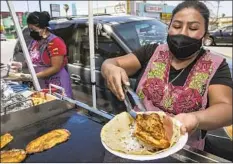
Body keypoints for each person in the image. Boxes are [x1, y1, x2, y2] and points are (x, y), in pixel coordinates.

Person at [101, 0, 232, 152]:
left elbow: (226, 109)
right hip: (136, 141)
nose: (182, 33)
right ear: (168, 28)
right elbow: (113, 62)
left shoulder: (216, 65)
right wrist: (109, 67)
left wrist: (196, 118)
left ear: (205, 35)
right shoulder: (151, 52)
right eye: (176, 26)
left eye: (193, 28)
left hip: (184, 151)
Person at [11, 11, 72, 98]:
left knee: (57, 107)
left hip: (56, 83)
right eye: (30, 29)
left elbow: (56, 67)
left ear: (43, 27)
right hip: (41, 82)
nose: (31, 32)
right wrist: (21, 65)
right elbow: (32, 59)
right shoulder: (35, 41)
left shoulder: (55, 42)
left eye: (33, 29)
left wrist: (31, 76)